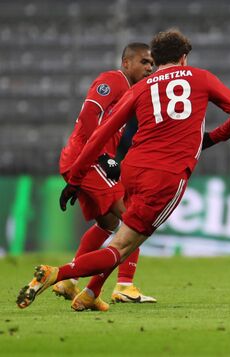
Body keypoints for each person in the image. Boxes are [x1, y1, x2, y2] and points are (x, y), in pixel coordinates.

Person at [16, 29, 230, 311]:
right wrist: (210, 139)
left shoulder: (141, 87)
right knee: (122, 246)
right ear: (184, 58)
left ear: (157, 59)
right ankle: (60, 274)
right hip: (165, 175)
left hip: (131, 168)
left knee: (114, 228)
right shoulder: (201, 78)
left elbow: (101, 133)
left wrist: (76, 177)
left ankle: (91, 293)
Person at [54, 42, 157, 308]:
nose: (149, 67)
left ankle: (69, 282)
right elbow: (90, 115)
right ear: (126, 63)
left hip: (89, 162)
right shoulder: (112, 80)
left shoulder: (132, 91)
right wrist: (101, 157)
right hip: (86, 160)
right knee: (133, 220)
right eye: (144, 62)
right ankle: (124, 284)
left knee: (108, 224)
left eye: (152, 64)